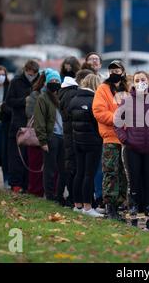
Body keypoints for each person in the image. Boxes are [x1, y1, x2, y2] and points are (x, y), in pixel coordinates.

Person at [115, 71, 149, 232]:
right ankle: (134, 218)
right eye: (137, 80)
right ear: (133, 83)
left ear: (148, 81)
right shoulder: (127, 100)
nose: (140, 82)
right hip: (132, 148)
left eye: (143, 79)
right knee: (133, 184)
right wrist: (125, 139)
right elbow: (117, 122)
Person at [92, 60, 129, 220]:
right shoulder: (103, 89)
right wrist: (117, 119)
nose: (115, 72)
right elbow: (99, 111)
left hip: (127, 139)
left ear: (123, 71)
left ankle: (119, 205)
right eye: (112, 70)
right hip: (111, 137)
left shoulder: (127, 89)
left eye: (118, 69)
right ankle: (110, 207)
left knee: (123, 174)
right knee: (111, 172)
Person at [69, 73, 104, 217]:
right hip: (92, 141)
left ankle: (77, 205)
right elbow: (97, 121)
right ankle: (88, 207)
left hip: (77, 140)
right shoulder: (94, 100)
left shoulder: (74, 99)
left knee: (80, 173)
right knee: (89, 174)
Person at [58, 69, 94, 206]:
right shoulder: (73, 95)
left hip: (72, 135)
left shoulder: (69, 93)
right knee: (77, 170)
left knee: (76, 169)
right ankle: (74, 200)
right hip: (75, 135)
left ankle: (75, 200)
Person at [34, 69, 67, 203]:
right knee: (50, 169)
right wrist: (43, 141)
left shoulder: (62, 96)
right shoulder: (42, 98)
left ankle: (59, 195)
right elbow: (39, 120)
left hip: (63, 137)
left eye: (57, 81)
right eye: (52, 81)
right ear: (47, 83)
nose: (54, 83)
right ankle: (49, 195)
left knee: (63, 170)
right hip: (51, 137)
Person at [6, 60, 40, 193]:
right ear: (25, 70)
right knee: (16, 156)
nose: (31, 75)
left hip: (32, 125)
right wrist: (24, 101)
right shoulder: (16, 82)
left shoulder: (39, 82)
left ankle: (27, 184)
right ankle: (16, 184)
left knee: (29, 156)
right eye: (29, 73)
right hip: (18, 124)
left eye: (34, 74)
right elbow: (9, 101)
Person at [25, 71, 47, 197]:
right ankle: (35, 191)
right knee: (35, 164)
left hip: (50, 133)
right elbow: (30, 113)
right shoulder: (35, 95)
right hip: (36, 134)